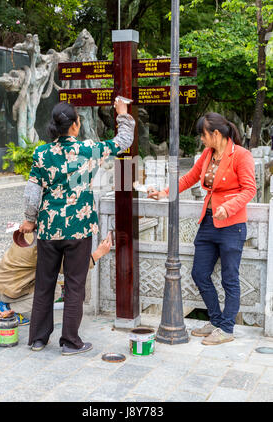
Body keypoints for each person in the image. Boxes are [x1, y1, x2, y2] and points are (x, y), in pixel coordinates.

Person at [19, 99, 135, 355]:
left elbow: (32, 192)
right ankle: (71, 342)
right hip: (79, 229)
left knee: (45, 283)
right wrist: (123, 114)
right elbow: (123, 141)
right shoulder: (89, 149)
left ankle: (38, 339)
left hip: (49, 228)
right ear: (75, 125)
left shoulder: (41, 153)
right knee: (74, 285)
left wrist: (29, 218)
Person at [147, 112, 256, 345]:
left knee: (230, 279)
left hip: (232, 225)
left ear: (216, 134)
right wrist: (164, 192)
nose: (202, 140)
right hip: (207, 222)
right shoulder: (207, 154)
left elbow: (249, 189)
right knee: (199, 273)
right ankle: (216, 320)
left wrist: (229, 207)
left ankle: (226, 328)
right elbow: (188, 179)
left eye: (203, 135)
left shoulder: (241, 155)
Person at [0, 234, 113, 325]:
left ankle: (6, 302)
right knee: (53, 290)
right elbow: (72, 267)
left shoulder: (30, 233)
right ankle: (8, 309)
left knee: (45, 279)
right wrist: (99, 253)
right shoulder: (43, 245)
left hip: (1, 280)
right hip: (12, 289)